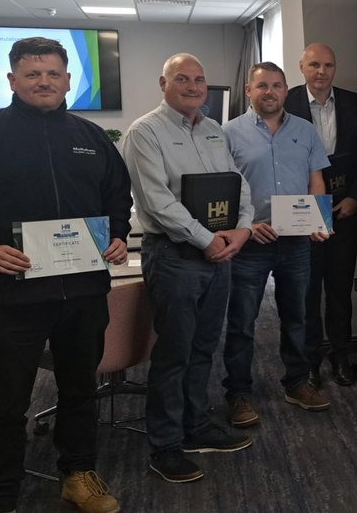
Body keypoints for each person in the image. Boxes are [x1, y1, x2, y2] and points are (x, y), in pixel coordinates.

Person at [0, 37, 131, 513]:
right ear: (12, 80)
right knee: (7, 401)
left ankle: (77, 473)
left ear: (68, 80)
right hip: (14, 296)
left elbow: (117, 198)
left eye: (53, 73)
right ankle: (1, 495)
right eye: (32, 74)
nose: (44, 82)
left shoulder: (91, 137)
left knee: (79, 389)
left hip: (84, 291)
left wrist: (116, 233)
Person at [123, 53, 255, 483]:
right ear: (164, 83)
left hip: (220, 255)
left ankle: (196, 426)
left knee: (203, 347)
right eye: (183, 78)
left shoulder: (215, 130)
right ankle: (165, 444)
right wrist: (208, 239)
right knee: (174, 352)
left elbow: (239, 185)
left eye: (200, 79)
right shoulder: (145, 132)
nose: (194, 86)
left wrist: (243, 230)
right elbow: (157, 203)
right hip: (176, 257)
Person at [221, 62, 331, 429]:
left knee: (297, 317)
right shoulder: (228, 133)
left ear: (286, 90)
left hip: (297, 243)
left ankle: (297, 383)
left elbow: (316, 179)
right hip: (250, 244)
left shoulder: (305, 130)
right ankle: (237, 393)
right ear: (249, 91)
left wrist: (319, 219)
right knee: (242, 323)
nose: (270, 92)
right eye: (262, 86)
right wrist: (247, 226)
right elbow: (223, 190)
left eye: (277, 86)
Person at [284, 43, 357, 388]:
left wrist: (355, 199)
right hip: (302, 210)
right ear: (301, 67)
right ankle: (310, 361)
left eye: (328, 65)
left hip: (344, 208)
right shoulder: (284, 101)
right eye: (314, 64)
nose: (321, 71)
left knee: (340, 288)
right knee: (306, 291)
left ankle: (342, 356)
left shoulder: (355, 103)